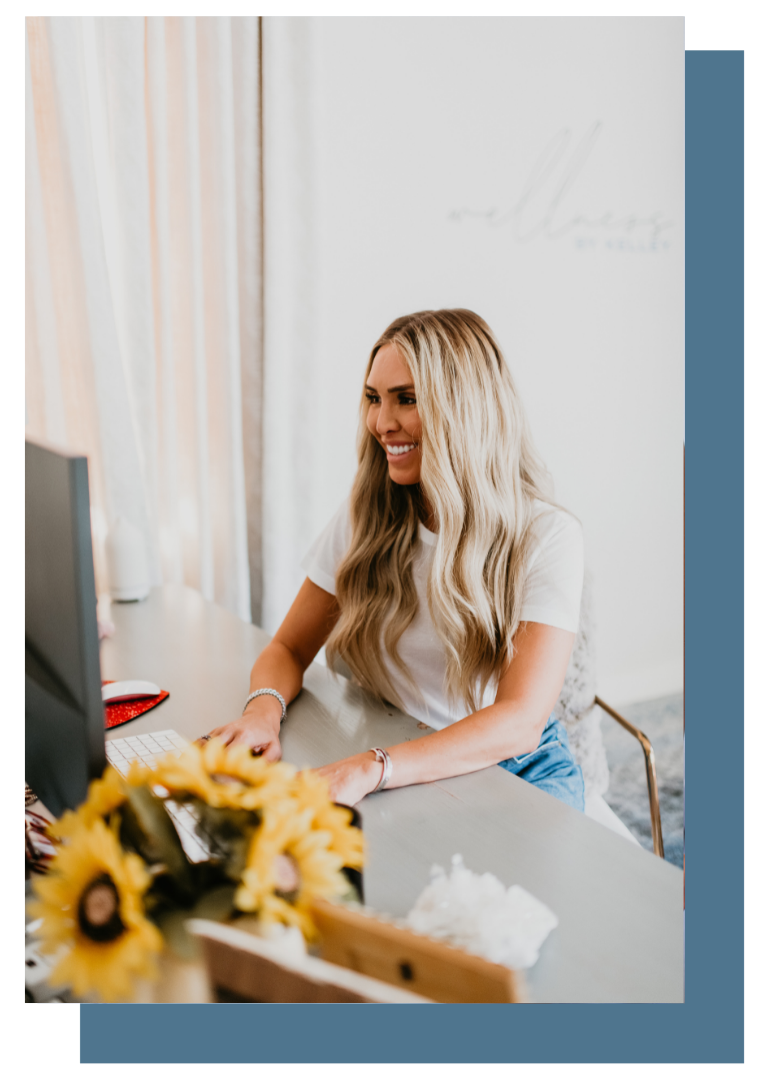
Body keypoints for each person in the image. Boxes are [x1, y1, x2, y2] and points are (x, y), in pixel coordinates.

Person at [200, 309, 585, 811]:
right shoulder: (368, 515)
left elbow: (520, 721)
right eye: (373, 398)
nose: (382, 423)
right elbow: (289, 648)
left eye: (407, 399)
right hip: (400, 746)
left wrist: (371, 766)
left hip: (515, 766)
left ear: (464, 407)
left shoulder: (548, 535)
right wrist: (261, 714)